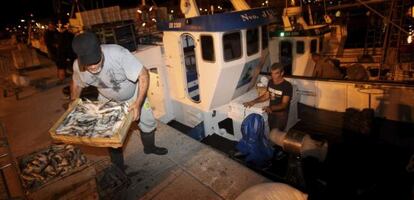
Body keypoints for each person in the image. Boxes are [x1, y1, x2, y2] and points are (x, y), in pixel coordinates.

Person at [70, 31, 168, 168]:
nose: (92, 67)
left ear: (100, 49)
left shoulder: (118, 53)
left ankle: (150, 147)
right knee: (110, 133)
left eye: (96, 61)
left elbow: (143, 74)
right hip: (106, 99)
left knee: (148, 123)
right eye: (88, 63)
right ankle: (117, 165)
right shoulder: (77, 66)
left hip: (133, 94)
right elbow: (76, 83)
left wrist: (138, 104)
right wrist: (73, 102)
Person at [243, 63, 293, 131]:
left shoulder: (287, 86)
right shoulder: (270, 82)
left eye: (276, 73)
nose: (273, 76)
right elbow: (266, 96)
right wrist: (253, 102)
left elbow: (284, 104)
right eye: (272, 73)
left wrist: (270, 107)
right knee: (271, 130)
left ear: (282, 73)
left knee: (276, 133)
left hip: (280, 115)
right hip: (271, 112)